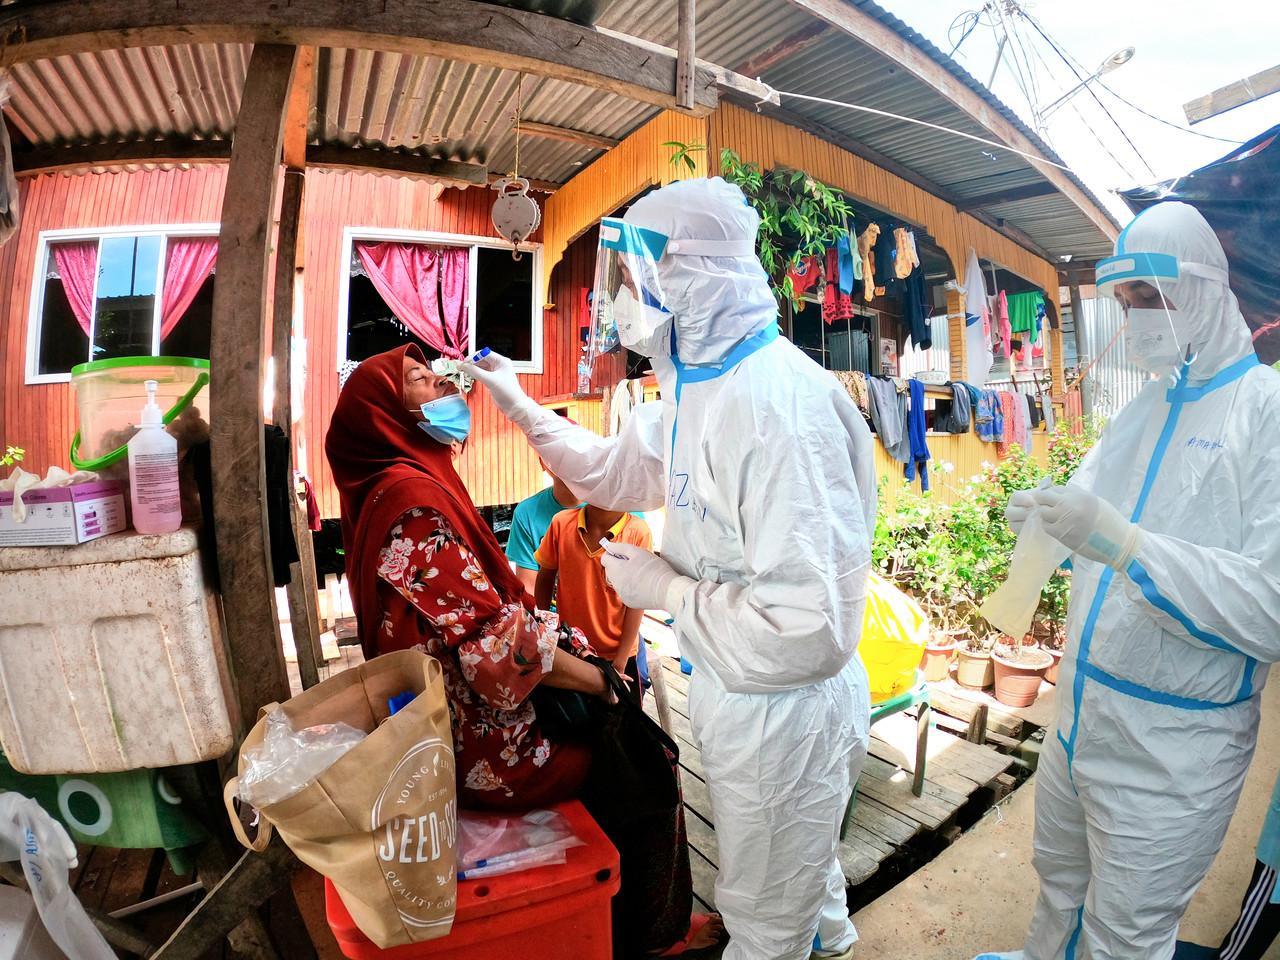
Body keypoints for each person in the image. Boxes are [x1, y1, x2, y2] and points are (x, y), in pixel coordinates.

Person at [464, 176, 876, 960]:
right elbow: (617, 471)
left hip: (783, 706)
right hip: (736, 684)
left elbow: (809, 631)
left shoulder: (777, 410)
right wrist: (519, 405)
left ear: (696, 276)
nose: (625, 299)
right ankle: (837, 940)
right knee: (799, 871)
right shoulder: (699, 386)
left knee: (764, 912)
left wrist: (667, 590)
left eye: (638, 279)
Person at [325, 344, 721, 957]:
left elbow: (495, 615)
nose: (442, 387)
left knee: (625, 740)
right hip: (481, 736)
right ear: (383, 415)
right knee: (649, 760)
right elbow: (496, 654)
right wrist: (605, 683)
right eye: (420, 381)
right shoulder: (412, 505)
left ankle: (628, 923)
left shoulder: (403, 486)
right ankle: (651, 936)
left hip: (449, 714)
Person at [977, 201, 1280, 960]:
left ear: (1207, 290)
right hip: (1083, 714)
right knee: (1059, 890)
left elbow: (1271, 608)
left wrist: (1127, 544)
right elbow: (1091, 509)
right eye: (1125, 301)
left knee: (1126, 935)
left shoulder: (1264, 413)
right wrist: (1045, 516)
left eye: (1150, 297)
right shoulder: (1144, 408)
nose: (1135, 316)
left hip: (1176, 743)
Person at [535, 503, 652, 695]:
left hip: (619, 654)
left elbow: (637, 602)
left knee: (621, 719)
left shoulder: (638, 533)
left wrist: (620, 663)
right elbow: (545, 576)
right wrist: (544, 629)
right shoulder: (561, 523)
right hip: (573, 650)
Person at [505, 461, 580, 595]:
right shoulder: (526, 512)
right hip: (549, 612)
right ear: (542, 461)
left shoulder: (617, 509)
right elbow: (529, 587)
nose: (565, 458)